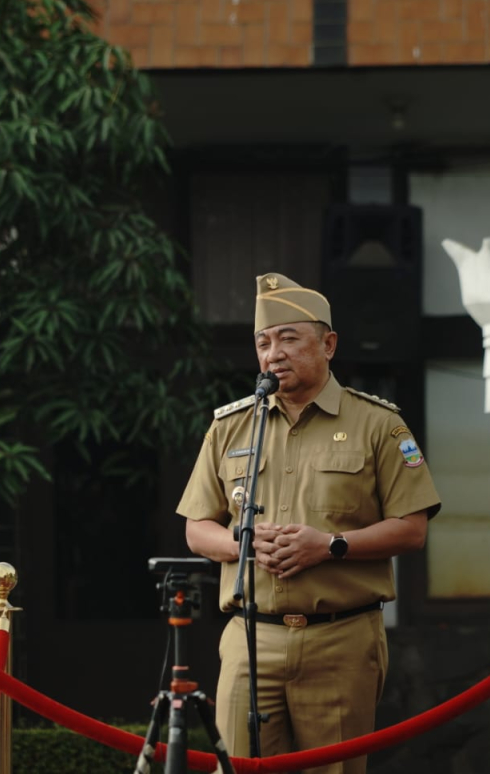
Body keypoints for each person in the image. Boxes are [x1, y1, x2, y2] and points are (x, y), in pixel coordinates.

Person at [176, 272, 442, 774]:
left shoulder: (378, 424)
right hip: (251, 638)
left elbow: (411, 528)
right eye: (263, 343)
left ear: (328, 345)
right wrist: (244, 544)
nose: (273, 353)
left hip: (341, 638)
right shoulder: (232, 426)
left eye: (288, 339)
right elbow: (197, 528)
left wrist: (330, 546)